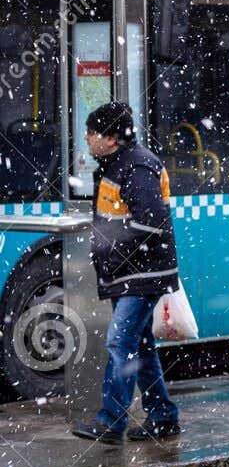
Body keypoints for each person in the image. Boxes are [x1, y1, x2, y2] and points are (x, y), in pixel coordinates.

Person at [69, 102, 182, 443]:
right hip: (129, 272)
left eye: (92, 132)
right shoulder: (115, 164)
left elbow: (151, 222)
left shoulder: (136, 167)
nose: (87, 137)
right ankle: (162, 415)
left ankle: (111, 420)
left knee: (120, 342)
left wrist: (110, 249)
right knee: (141, 345)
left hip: (141, 273)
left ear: (112, 138)